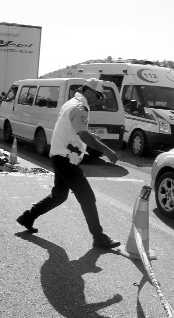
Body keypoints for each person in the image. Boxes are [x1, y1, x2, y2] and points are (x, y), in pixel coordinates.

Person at [16, 78, 121, 249]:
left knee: (59, 195)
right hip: (66, 159)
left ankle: (28, 217)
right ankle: (99, 237)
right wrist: (107, 151)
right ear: (88, 92)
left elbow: (80, 131)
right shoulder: (79, 108)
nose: (99, 100)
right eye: (98, 95)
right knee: (87, 197)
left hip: (61, 156)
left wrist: (92, 138)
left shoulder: (72, 103)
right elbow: (83, 135)